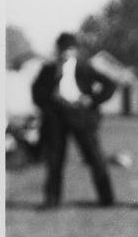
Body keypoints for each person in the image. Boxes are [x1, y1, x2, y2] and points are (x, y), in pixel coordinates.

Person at [30, 32, 118, 208]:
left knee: (94, 157)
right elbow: (36, 92)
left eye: (69, 49)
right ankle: (52, 200)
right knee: (55, 160)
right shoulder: (48, 69)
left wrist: (92, 100)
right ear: (58, 50)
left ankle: (106, 199)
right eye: (62, 49)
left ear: (75, 50)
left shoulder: (85, 68)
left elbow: (110, 84)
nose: (65, 53)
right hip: (56, 118)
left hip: (80, 115)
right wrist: (48, 105)